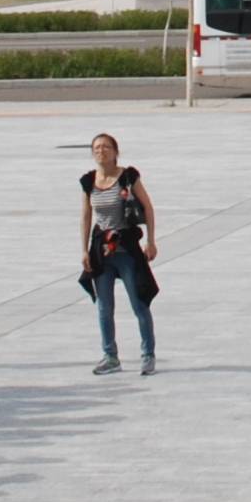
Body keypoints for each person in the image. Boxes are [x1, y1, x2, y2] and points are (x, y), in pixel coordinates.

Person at [81, 133, 158, 377]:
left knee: (139, 303)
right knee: (104, 306)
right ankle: (110, 356)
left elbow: (147, 206)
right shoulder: (88, 181)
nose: (101, 151)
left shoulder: (128, 176)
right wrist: (83, 249)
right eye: (96, 148)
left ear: (116, 151)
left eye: (105, 147)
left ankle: (147, 355)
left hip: (126, 248)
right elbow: (85, 216)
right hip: (101, 250)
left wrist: (151, 241)